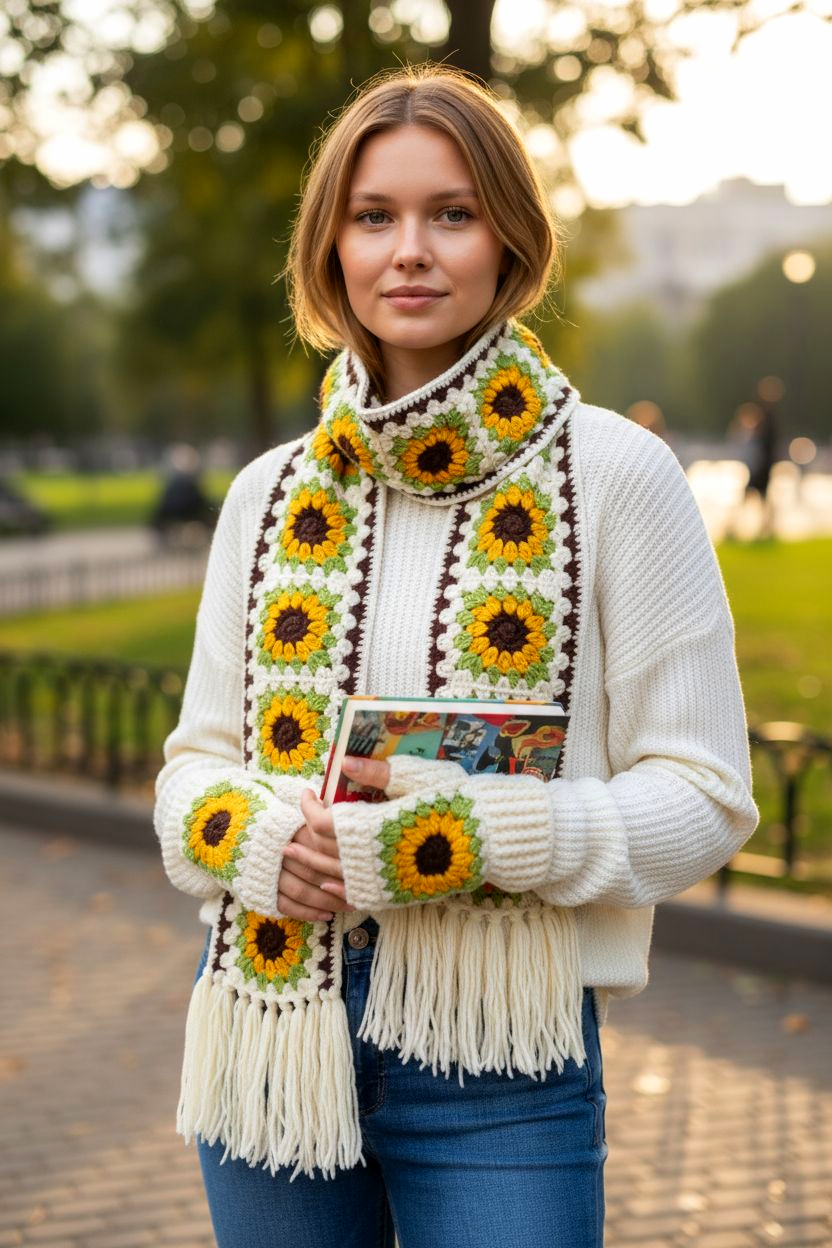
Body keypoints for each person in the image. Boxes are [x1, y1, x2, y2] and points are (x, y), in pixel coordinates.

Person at [153, 64, 759, 1248]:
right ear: (331, 249)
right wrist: (260, 839)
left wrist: (468, 842)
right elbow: (189, 769)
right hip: (270, 1038)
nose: (409, 251)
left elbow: (707, 795)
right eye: (373, 216)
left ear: (509, 242)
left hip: (500, 1065)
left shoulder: (615, 478)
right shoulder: (265, 497)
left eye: (452, 213)